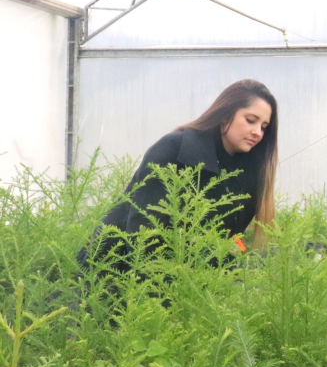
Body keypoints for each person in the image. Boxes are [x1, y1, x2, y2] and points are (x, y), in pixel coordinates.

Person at [78, 79, 278, 270]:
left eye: (263, 127)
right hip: (117, 275)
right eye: (251, 120)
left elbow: (227, 241)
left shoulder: (247, 171)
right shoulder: (176, 148)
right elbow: (143, 231)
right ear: (225, 116)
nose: (258, 132)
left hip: (190, 288)